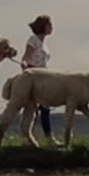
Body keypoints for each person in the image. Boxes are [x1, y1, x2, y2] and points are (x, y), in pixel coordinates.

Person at [22, 15, 56, 144]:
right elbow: (26, 56)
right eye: (49, 25)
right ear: (43, 26)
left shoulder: (43, 44)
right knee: (36, 108)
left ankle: (39, 137)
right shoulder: (33, 40)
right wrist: (25, 65)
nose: (52, 27)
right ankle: (33, 137)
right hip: (35, 76)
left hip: (44, 77)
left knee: (43, 107)